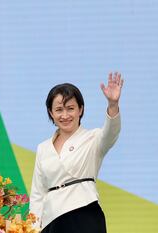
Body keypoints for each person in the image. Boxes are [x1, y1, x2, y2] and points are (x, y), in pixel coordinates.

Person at [30, 72, 124, 233]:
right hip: (51, 220)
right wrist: (32, 228)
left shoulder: (93, 138)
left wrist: (113, 105)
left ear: (80, 109)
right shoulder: (43, 148)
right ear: (51, 113)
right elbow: (38, 193)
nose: (65, 115)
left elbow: (111, 133)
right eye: (59, 109)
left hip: (84, 213)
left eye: (70, 108)